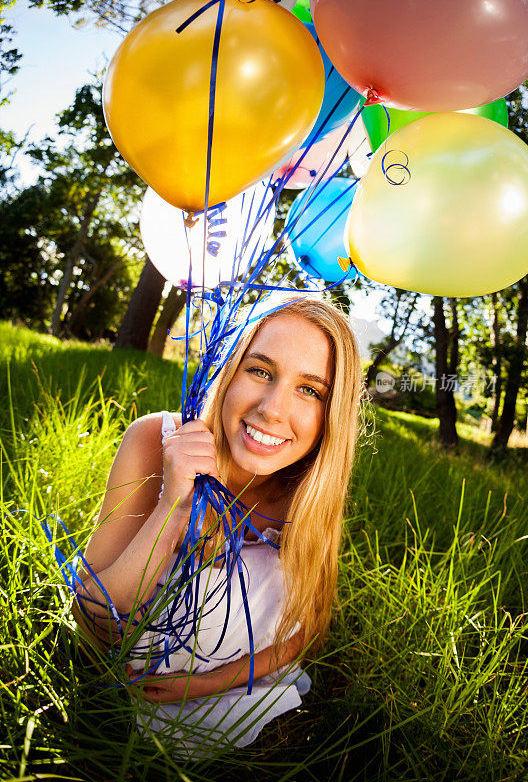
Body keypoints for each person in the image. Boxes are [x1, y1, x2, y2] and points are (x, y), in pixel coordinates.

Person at [73, 294, 363, 759]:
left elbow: (305, 630)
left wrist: (205, 684)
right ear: (228, 371)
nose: (272, 409)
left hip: (228, 684)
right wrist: (174, 507)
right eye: (261, 371)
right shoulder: (154, 439)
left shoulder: (305, 492)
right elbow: (93, 624)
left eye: (310, 390)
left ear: (332, 415)